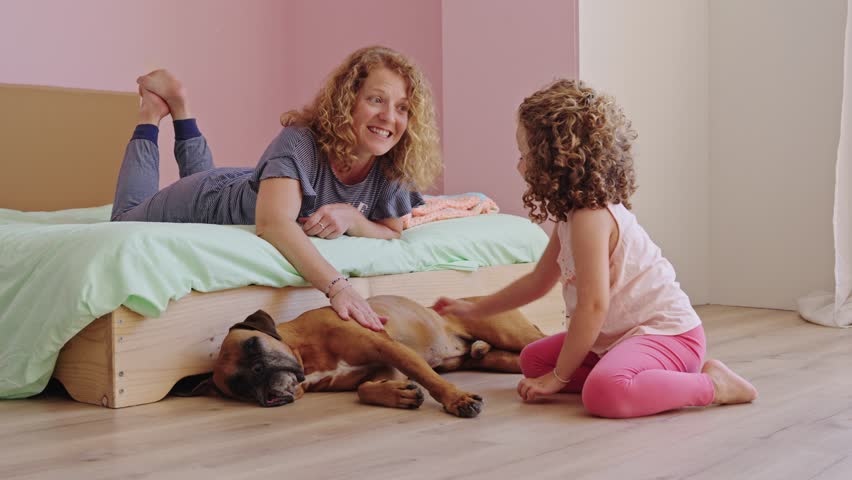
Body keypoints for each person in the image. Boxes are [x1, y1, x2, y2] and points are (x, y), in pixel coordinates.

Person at [433, 79, 758, 418]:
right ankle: (646, 379)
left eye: (524, 154)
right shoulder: (570, 216)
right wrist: (475, 311)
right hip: (617, 339)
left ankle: (713, 385)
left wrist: (559, 378)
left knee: (605, 394)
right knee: (532, 360)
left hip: (669, 337)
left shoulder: (592, 217)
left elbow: (593, 306)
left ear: (553, 162)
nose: (519, 165)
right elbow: (538, 281)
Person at [112, 46, 441, 332]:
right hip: (206, 201)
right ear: (348, 100)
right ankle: (152, 114)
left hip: (252, 184)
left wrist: (352, 217)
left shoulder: (393, 161)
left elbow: (391, 231)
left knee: (217, 179)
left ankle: (182, 110)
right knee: (125, 219)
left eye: (402, 108)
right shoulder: (300, 141)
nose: (389, 117)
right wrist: (338, 287)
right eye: (376, 99)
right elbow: (274, 224)